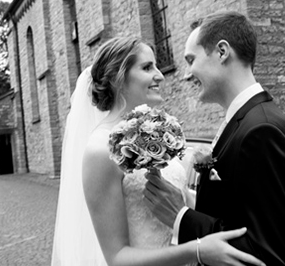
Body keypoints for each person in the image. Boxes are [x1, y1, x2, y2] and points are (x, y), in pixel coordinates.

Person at [51, 36, 265, 266]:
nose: (160, 75)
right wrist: (197, 251)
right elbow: (117, 258)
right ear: (118, 78)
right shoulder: (100, 149)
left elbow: (174, 203)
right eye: (147, 67)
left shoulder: (154, 132)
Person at [144, 11, 285, 266]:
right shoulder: (246, 121)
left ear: (222, 52)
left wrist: (181, 217)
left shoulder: (261, 131)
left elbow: (266, 254)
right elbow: (237, 213)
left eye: (191, 59)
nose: (187, 73)